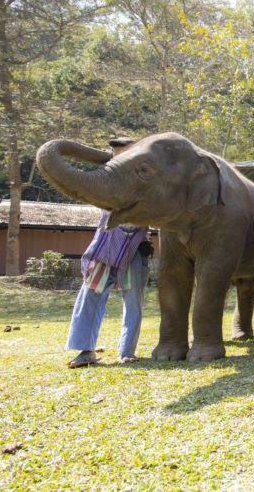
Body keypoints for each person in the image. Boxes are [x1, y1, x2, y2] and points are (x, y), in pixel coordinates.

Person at [65, 138, 154, 368]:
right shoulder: (105, 181)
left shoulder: (151, 183)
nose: (118, 159)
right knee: (89, 297)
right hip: (104, 249)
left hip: (133, 249)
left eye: (124, 154)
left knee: (133, 302)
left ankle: (127, 351)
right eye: (115, 155)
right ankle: (86, 352)